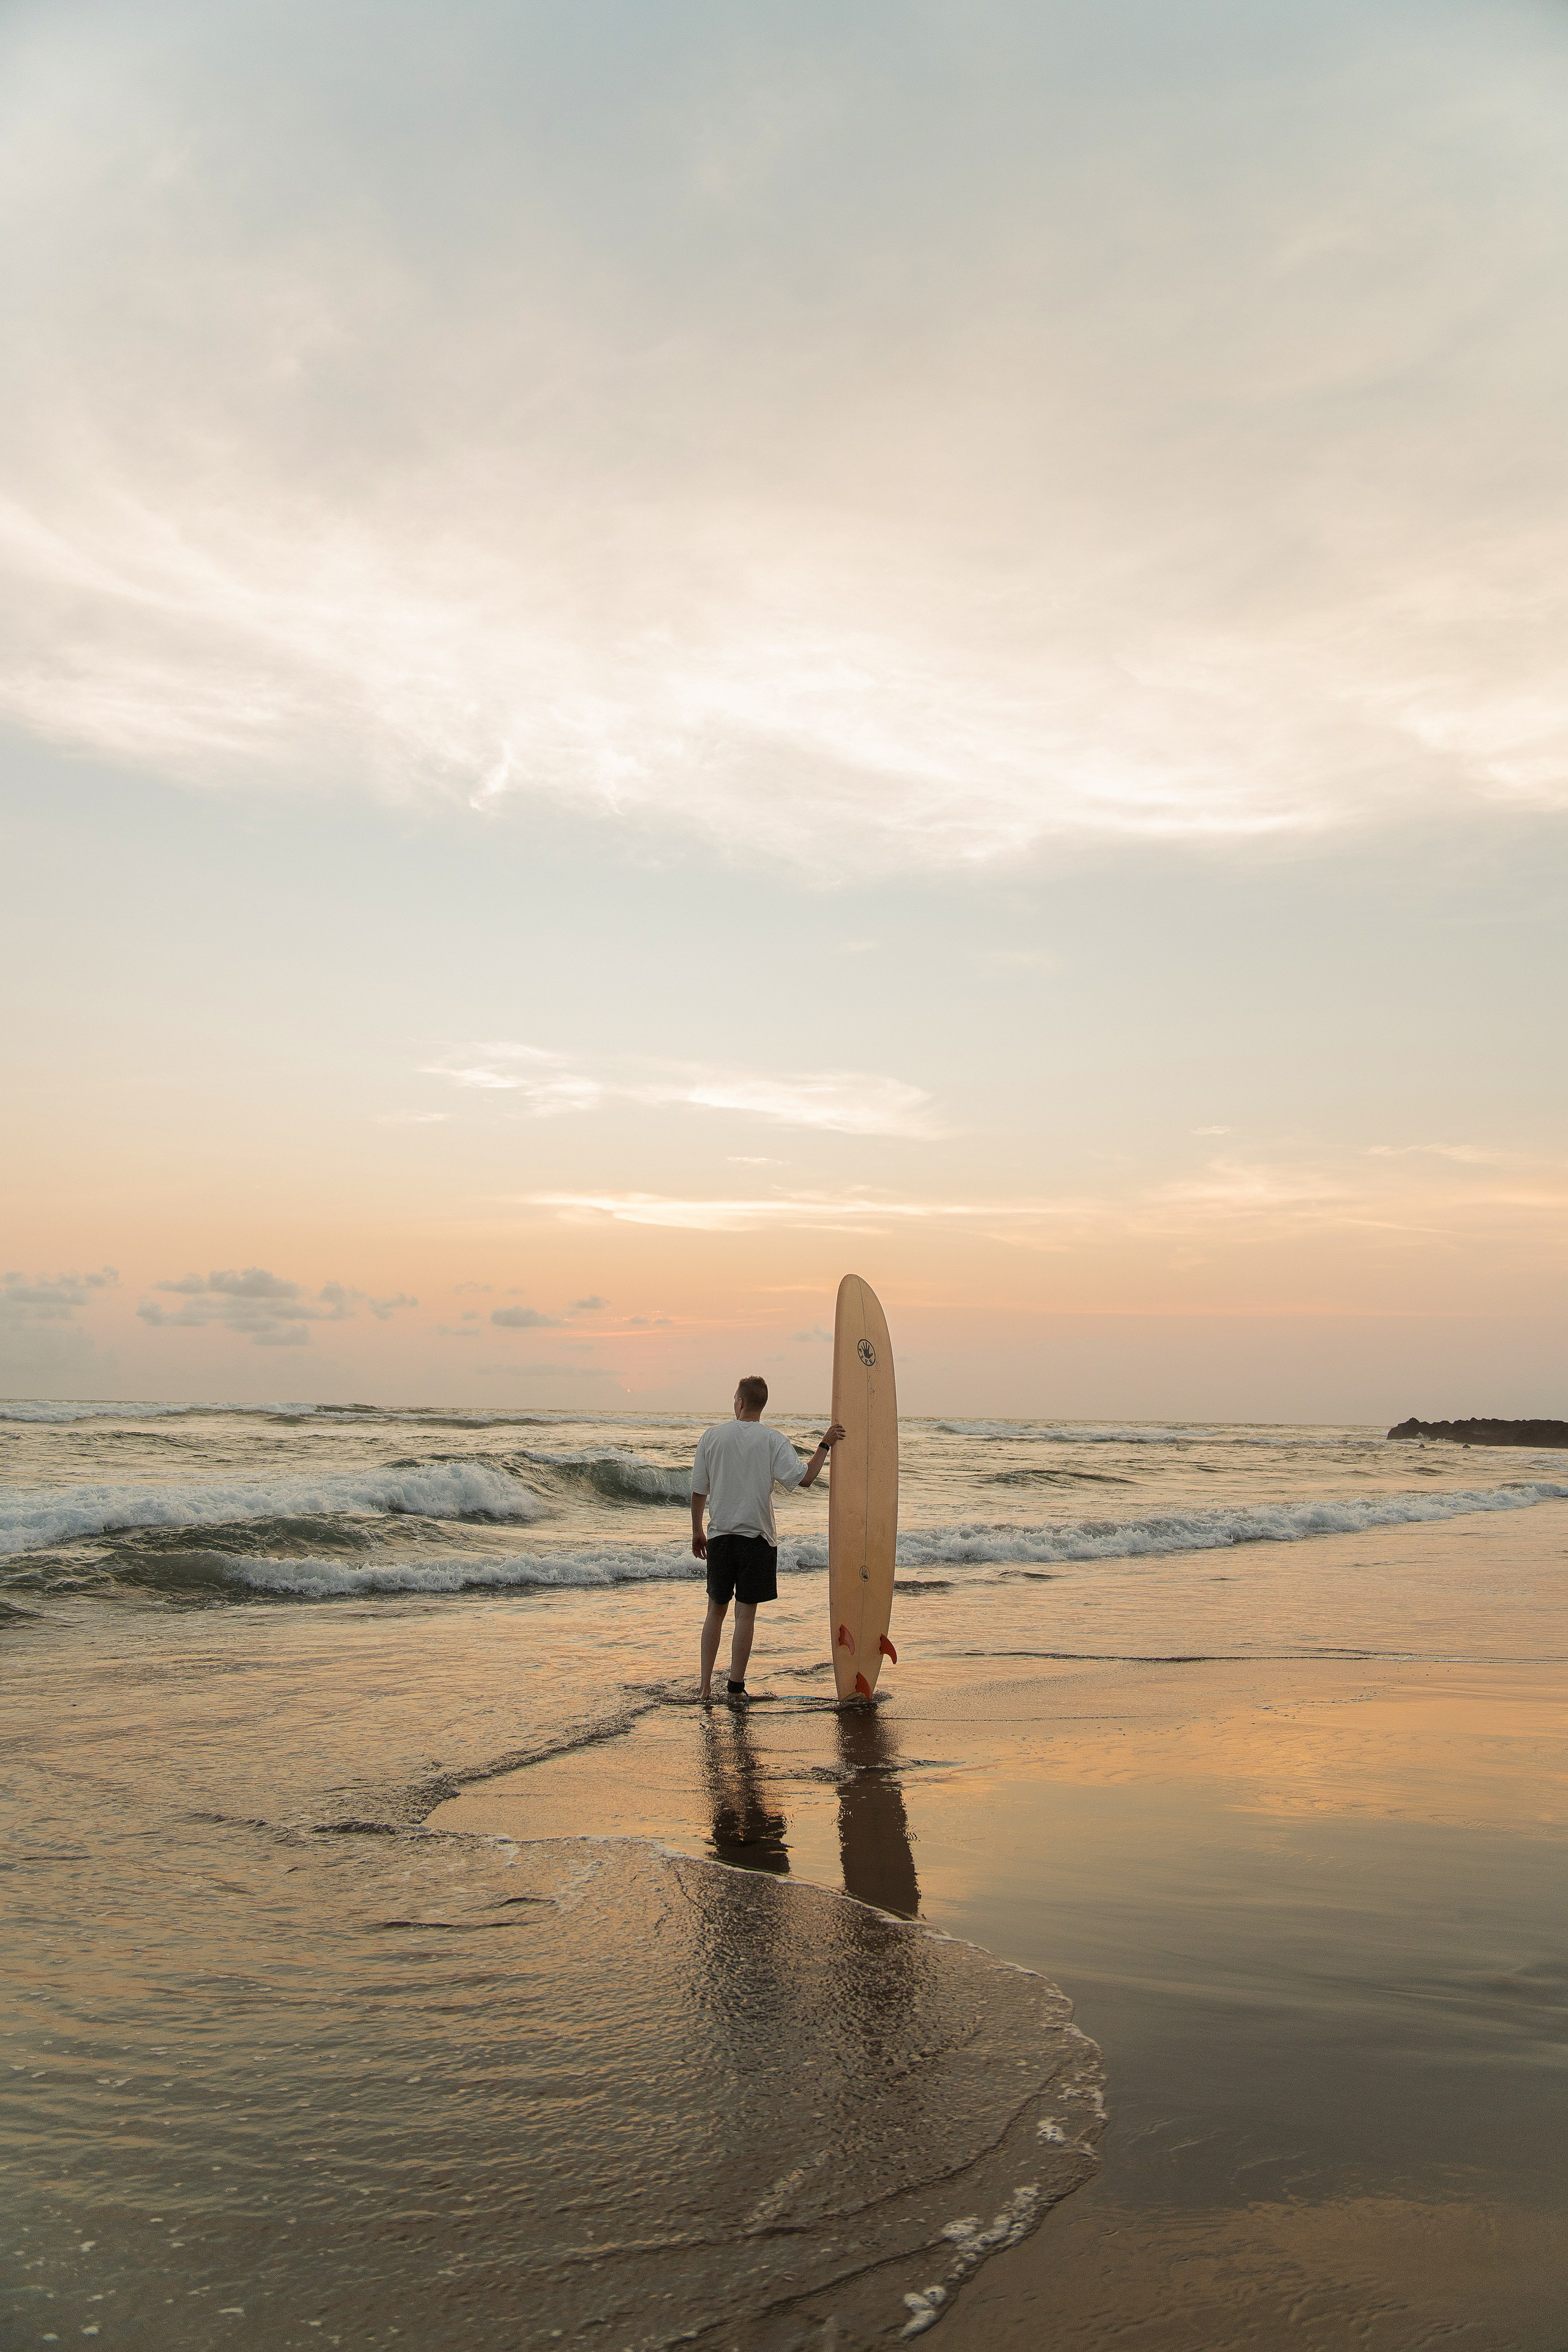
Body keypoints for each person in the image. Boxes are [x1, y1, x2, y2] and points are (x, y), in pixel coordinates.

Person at [692, 1376, 844, 1703]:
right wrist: (825, 1444)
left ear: (740, 1402)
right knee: (745, 1615)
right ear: (762, 1405)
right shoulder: (773, 1440)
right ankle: (735, 1688)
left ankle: (704, 1687)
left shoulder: (711, 1437)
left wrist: (697, 1530)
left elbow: (699, 1490)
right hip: (757, 1539)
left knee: (715, 1612)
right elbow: (805, 1479)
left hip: (720, 1537)